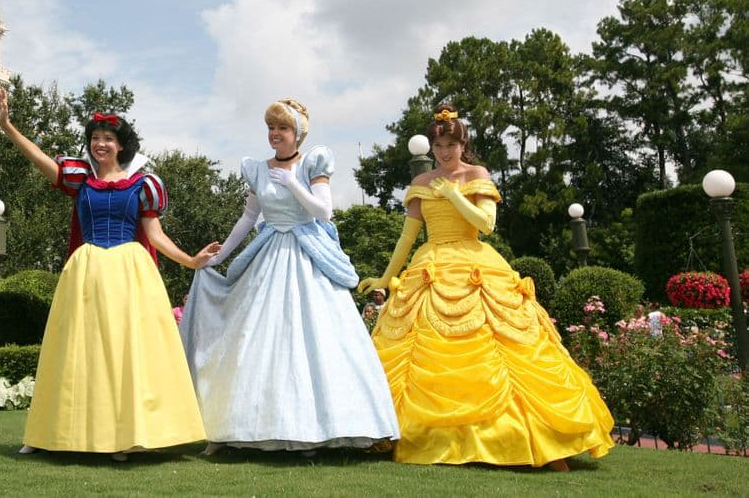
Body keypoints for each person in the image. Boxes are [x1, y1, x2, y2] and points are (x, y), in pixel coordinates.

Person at [358, 103, 614, 468]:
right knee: (420, 348)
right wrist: (386, 277)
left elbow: (486, 224)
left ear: (463, 145)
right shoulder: (421, 183)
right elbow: (408, 235)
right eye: (438, 146)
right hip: (430, 264)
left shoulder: (476, 174)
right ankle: (415, 433)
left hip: (474, 262)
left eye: (451, 145)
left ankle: (535, 439)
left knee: (504, 349)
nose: (444, 153)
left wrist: (454, 195)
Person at [0, 88, 217, 460]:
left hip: (130, 273)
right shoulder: (80, 179)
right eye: (95, 138)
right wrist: (7, 126)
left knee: (126, 352)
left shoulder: (144, 185)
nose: (100, 144)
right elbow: (40, 160)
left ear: (121, 145)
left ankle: (123, 436)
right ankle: (47, 433)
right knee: (73, 351)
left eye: (108, 139)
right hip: (87, 271)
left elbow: (155, 235)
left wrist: (191, 261)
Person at [180, 99, 399, 453]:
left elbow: (324, 212)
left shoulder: (313, 163)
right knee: (257, 335)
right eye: (271, 128)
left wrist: (294, 184)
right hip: (268, 254)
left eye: (282, 128)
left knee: (318, 338)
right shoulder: (257, 169)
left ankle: (324, 426)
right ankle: (247, 426)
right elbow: (248, 219)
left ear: (297, 133)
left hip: (307, 252)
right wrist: (219, 256)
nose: (275, 135)